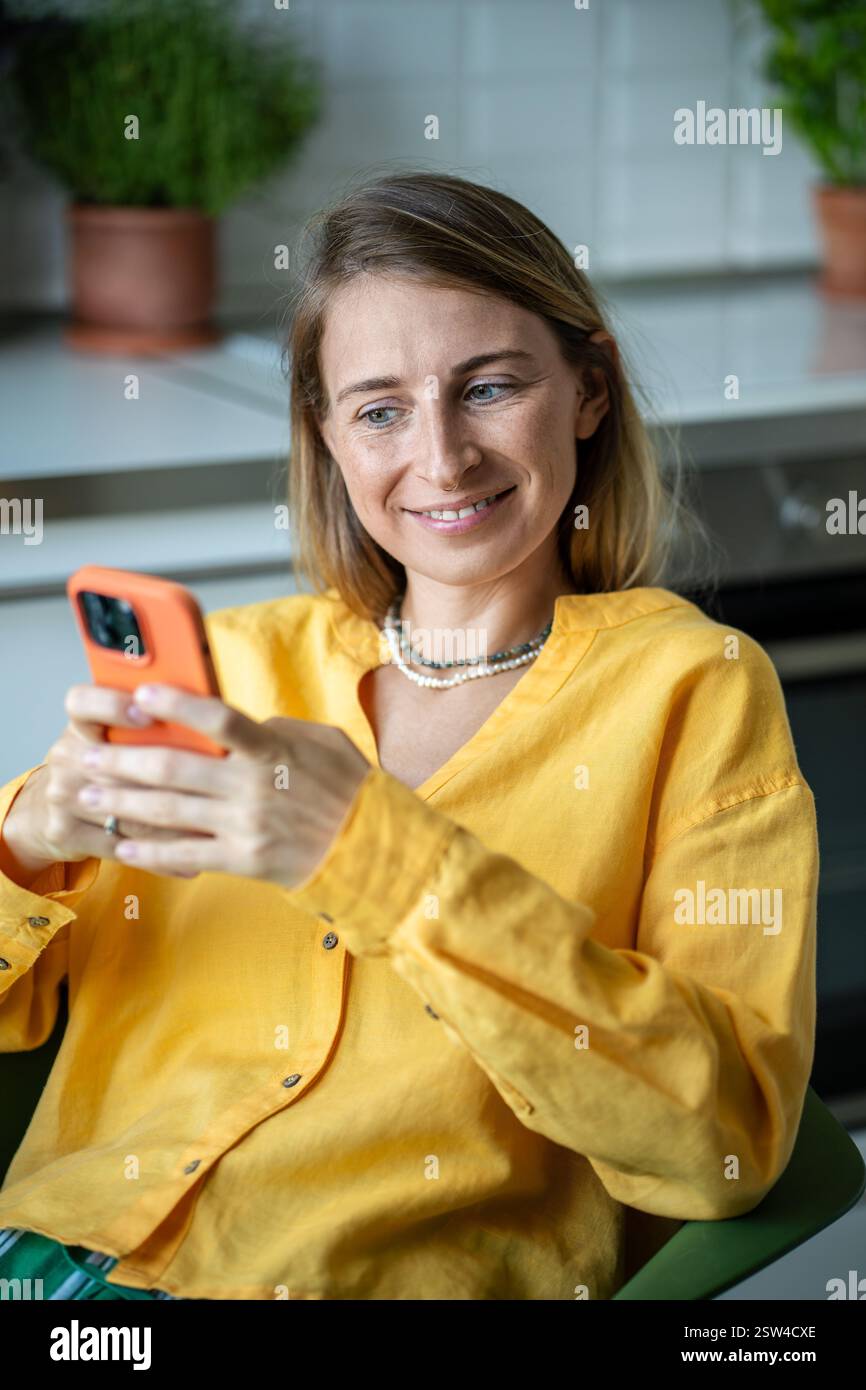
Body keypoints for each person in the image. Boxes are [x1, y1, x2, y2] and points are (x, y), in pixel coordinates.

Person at [0, 171, 817, 1301]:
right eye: (379, 409)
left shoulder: (691, 691)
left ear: (587, 390)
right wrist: (26, 848)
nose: (441, 458)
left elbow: (723, 1141)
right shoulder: (228, 669)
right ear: (327, 437)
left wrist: (375, 856)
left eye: (487, 388)